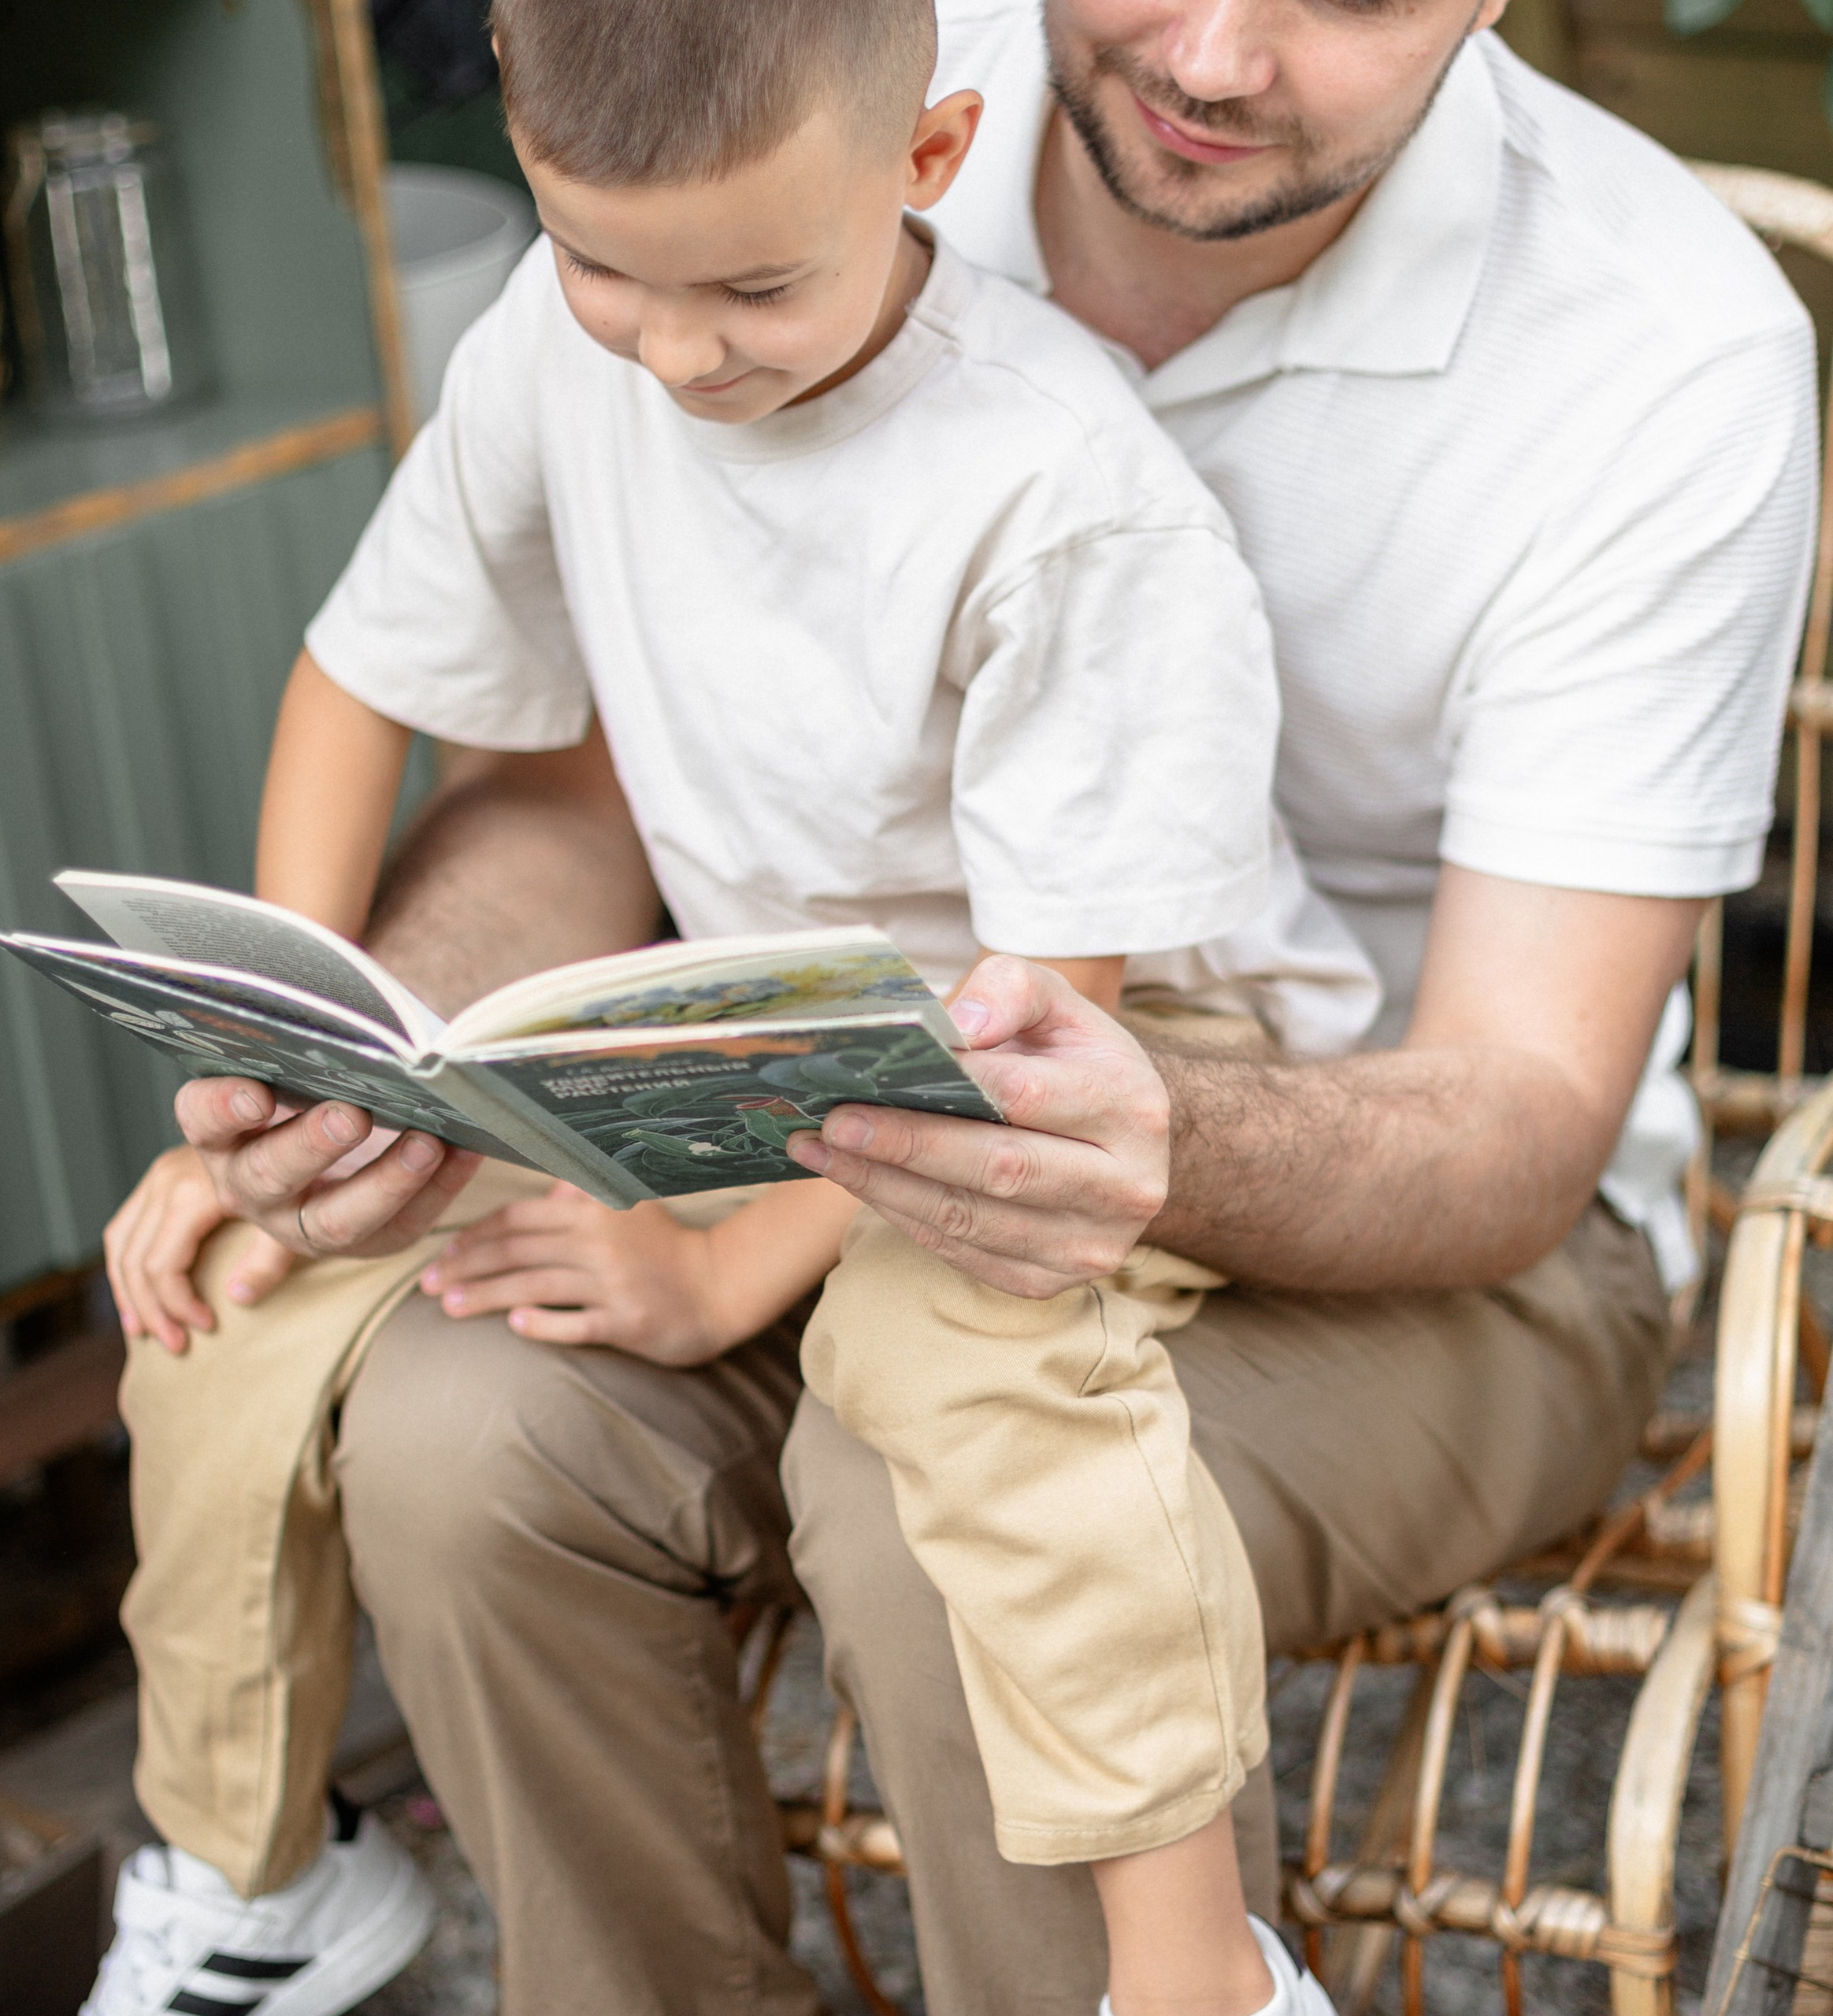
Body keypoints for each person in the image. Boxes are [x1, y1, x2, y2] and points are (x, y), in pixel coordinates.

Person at [96, 0, 1819, 2010]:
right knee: (452, 1427)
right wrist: (345, 1060)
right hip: (829, 1091)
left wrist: (807, 1228)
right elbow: (569, 785)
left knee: (937, 1499)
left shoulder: (1655, 344)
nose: (1215, 54)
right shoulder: (764, 90)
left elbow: (1498, 1116)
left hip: (1409, 1208)